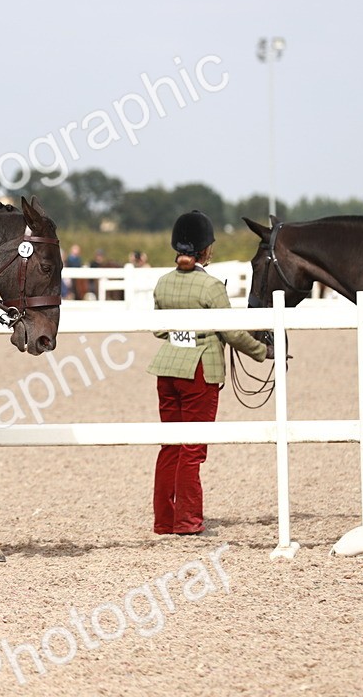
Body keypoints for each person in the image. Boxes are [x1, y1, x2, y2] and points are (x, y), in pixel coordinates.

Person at [146, 210, 271, 536]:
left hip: (167, 370)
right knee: (192, 448)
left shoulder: (163, 282)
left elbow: (160, 330)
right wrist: (260, 351)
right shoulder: (211, 286)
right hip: (200, 373)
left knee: (170, 446)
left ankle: (164, 520)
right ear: (206, 250)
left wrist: (182, 335)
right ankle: (188, 521)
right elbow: (230, 332)